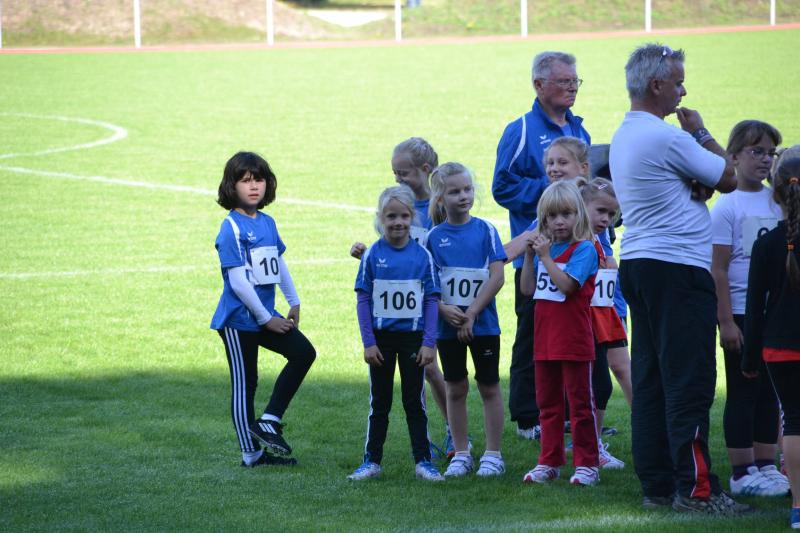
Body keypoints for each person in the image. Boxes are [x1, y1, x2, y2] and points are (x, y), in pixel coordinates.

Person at [609, 43, 750, 514]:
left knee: (651, 380)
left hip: (640, 263)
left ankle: (658, 484)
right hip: (678, 270)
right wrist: (701, 132)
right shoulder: (668, 138)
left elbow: (701, 182)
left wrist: (696, 176)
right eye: (678, 82)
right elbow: (728, 177)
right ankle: (696, 490)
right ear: (656, 85)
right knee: (689, 380)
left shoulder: (627, 133)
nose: (683, 92)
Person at [492, 51, 590, 440]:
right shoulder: (520, 129)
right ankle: (527, 416)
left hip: (577, 256)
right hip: (534, 256)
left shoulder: (579, 129)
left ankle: (567, 414)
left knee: (573, 336)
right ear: (539, 85)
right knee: (532, 338)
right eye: (564, 81)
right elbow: (502, 186)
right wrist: (553, 192)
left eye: (575, 81)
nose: (572, 88)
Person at [210, 152, 316, 468]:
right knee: (246, 384)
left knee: (303, 353)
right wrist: (266, 318)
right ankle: (251, 454)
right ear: (232, 186)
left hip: (265, 316)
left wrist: (293, 301)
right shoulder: (231, 228)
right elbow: (238, 282)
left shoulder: (267, 222)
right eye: (245, 181)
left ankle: (269, 420)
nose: (254, 186)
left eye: (259, 179)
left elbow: (278, 263)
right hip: (239, 320)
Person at [350, 138, 451, 455]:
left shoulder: (439, 209)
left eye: (403, 173)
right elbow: (391, 255)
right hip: (406, 307)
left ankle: (454, 432)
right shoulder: (396, 204)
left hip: (434, 299)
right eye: (395, 172)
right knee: (425, 369)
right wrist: (366, 255)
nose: (398, 178)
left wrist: (443, 304)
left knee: (432, 368)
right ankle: (431, 439)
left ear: (425, 169)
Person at [710, 120, 788, 497]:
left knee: (771, 391)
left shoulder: (778, 202)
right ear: (734, 156)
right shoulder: (727, 206)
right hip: (742, 311)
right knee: (744, 388)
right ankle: (742, 471)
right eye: (756, 151)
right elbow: (718, 269)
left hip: (776, 313)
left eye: (770, 153)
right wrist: (726, 321)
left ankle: (765, 463)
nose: (764, 160)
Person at [425, 163, 507, 477]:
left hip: (483, 325)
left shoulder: (486, 230)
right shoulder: (434, 238)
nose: (463, 196)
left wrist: (471, 312)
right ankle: (461, 453)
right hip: (448, 328)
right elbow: (428, 283)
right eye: (455, 192)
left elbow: (497, 277)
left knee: (489, 386)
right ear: (440, 198)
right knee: (455, 387)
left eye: (467, 189)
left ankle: (493, 454)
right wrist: (444, 309)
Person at [520, 180, 600, 486]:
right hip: (545, 340)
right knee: (548, 404)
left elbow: (567, 286)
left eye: (566, 214)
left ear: (579, 214)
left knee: (579, 406)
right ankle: (549, 460)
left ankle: (588, 463)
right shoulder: (546, 250)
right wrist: (530, 256)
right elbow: (527, 289)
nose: (559, 222)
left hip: (574, 340)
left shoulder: (585, 249)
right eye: (552, 216)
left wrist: (545, 258)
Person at [743, 155, 800, 529]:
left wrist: (749, 359)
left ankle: (798, 506)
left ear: (776, 194)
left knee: (794, 420)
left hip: (780, 346)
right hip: (782, 346)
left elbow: (754, 308)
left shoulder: (767, 244)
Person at [580, 178, 627, 470]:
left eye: (611, 214)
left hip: (598, 321)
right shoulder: (579, 241)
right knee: (589, 387)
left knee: (600, 386)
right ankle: (588, 448)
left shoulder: (597, 240)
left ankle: (592, 446)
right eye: (600, 211)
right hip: (581, 324)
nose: (606, 219)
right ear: (582, 206)